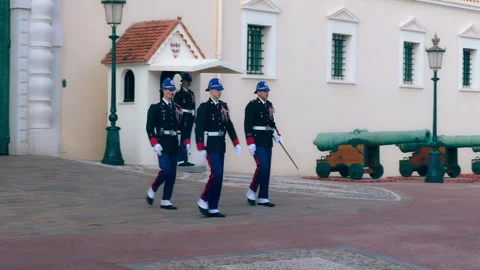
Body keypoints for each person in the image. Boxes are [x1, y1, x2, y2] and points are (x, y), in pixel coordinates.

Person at [195, 78, 241, 218]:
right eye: (216, 89)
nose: (219, 91)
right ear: (210, 90)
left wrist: (236, 142)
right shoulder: (204, 107)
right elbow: (199, 128)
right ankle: (203, 199)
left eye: (220, 89)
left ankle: (213, 206)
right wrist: (201, 147)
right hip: (210, 144)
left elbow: (229, 125)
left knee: (219, 177)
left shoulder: (223, 106)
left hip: (221, 144)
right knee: (217, 173)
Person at [145, 78, 187, 210]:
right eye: (169, 89)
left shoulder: (177, 108)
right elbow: (149, 127)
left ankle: (166, 199)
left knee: (172, 173)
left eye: (173, 89)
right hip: (162, 142)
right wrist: (154, 143)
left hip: (174, 142)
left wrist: (186, 142)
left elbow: (182, 126)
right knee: (166, 170)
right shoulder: (156, 107)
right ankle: (153, 188)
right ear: (163, 90)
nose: (171, 92)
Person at [244, 81, 282, 207]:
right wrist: (250, 142)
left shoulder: (269, 105)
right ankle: (252, 190)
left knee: (267, 169)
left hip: (267, 139)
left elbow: (271, 122)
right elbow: (247, 125)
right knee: (262, 166)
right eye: (264, 91)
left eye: (267, 91)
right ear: (258, 92)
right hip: (257, 140)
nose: (267, 93)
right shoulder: (252, 105)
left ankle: (263, 196)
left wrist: (276, 134)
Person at [173, 73, 196, 167]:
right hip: (182, 117)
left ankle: (185, 159)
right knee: (182, 137)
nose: (187, 83)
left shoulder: (191, 94)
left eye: (188, 81)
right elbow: (176, 107)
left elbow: (193, 106)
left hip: (190, 116)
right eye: (185, 81)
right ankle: (180, 159)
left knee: (187, 137)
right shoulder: (178, 93)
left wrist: (194, 117)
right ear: (183, 82)